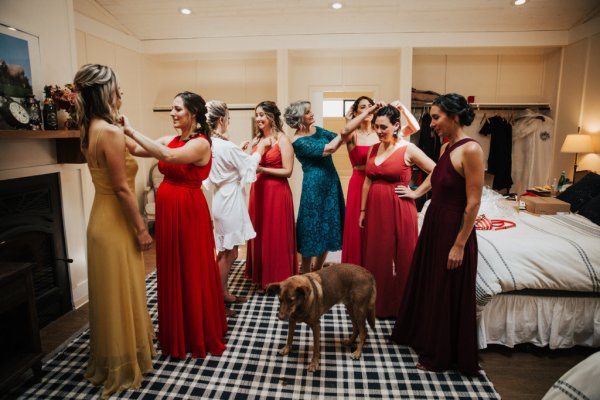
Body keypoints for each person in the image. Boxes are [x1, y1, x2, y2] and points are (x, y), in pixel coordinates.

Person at [121, 91, 227, 359]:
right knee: (171, 266)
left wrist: (132, 130)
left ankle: (196, 330)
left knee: (191, 267)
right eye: (171, 109)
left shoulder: (201, 143)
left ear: (192, 113)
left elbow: (167, 155)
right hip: (168, 212)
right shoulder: (170, 138)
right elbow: (135, 149)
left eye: (177, 109)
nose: (172, 114)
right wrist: (114, 125)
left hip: (189, 212)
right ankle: (175, 327)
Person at [74, 63, 155, 399]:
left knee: (112, 292)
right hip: (116, 223)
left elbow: (137, 150)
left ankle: (113, 355)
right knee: (122, 289)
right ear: (106, 92)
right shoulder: (110, 133)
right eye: (117, 88)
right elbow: (122, 189)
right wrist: (141, 229)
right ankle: (124, 363)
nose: (121, 93)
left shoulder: (90, 128)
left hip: (99, 221)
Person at [390, 93, 484, 375]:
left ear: (454, 117)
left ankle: (442, 354)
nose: (431, 124)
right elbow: (436, 175)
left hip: (453, 227)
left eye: (436, 117)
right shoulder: (446, 148)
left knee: (445, 288)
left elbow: (473, 202)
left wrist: (459, 245)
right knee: (430, 282)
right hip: (434, 223)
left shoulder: (471, 150)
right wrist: (417, 192)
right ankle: (422, 336)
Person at [359, 103, 433, 318]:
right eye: (376, 127)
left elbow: (436, 171)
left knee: (403, 257)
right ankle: (379, 304)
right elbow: (366, 181)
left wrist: (416, 193)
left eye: (383, 127)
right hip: (375, 210)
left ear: (396, 125)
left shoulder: (407, 148)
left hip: (400, 208)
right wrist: (363, 211)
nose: (379, 131)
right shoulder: (374, 148)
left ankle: (404, 306)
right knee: (378, 255)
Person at [204, 100, 271, 316]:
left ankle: (222, 293)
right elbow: (249, 167)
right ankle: (217, 301)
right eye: (228, 119)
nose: (228, 123)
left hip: (220, 200)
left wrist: (241, 152)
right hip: (229, 201)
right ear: (221, 120)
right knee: (229, 253)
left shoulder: (209, 144)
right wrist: (259, 149)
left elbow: (230, 165)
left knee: (225, 250)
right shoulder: (224, 146)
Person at [284, 100, 347, 273]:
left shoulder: (317, 130)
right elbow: (330, 148)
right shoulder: (298, 141)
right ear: (298, 118)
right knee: (311, 227)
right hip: (313, 186)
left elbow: (338, 138)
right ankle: (305, 271)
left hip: (331, 183)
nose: (312, 114)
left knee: (330, 223)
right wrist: (346, 129)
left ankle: (318, 269)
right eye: (307, 112)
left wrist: (347, 130)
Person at [246, 100, 297, 292]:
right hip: (258, 193)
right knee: (260, 233)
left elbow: (288, 171)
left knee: (275, 234)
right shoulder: (255, 140)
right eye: (256, 115)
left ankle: (277, 277)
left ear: (271, 117)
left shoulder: (282, 139)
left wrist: (262, 169)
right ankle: (261, 276)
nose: (258, 119)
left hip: (277, 193)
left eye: (262, 115)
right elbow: (248, 165)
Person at [341, 96, 381, 266]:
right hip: (358, 183)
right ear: (356, 112)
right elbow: (343, 132)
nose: (367, 110)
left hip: (378, 183)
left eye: (370, 106)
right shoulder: (352, 135)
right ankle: (355, 268)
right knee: (357, 227)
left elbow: (412, 128)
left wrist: (399, 107)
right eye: (362, 107)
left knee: (376, 226)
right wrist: (348, 119)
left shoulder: (381, 133)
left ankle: (374, 265)